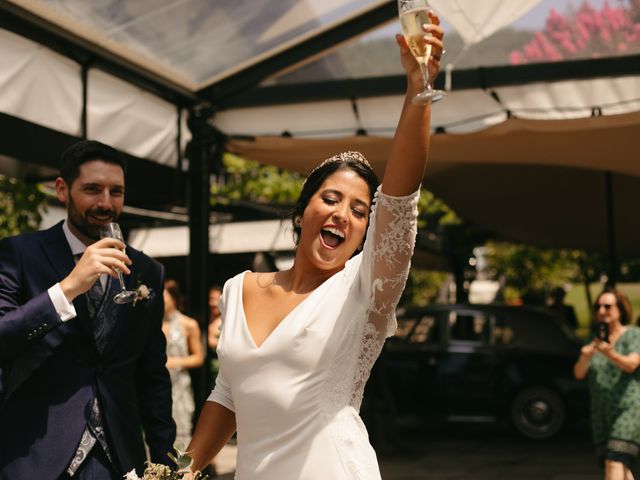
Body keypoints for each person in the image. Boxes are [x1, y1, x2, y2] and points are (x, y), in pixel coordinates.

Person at [187, 17, 444, 479]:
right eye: (330, 199)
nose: (343, 214)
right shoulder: (236, 289)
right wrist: (181, 471)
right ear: (302, 212)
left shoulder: (363, 287)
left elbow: (401, 198)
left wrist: (417, 91)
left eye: (360, 210)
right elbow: (229, 393)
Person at [0, 140, 175, 479]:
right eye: (93, 189)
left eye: (117, 192)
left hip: (119, 459)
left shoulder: (147, 271)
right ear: (63, 190)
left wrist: (165, 462)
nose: (106, 203)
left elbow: (153, 375)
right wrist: (68, 288)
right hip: (35, 457)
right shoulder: (18, 255)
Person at [574, 289, 640, 480]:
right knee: (617, 465)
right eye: (598, 307)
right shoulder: (593, 339)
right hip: (601, 412)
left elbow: (632, 365)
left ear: (620, 309)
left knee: (614, 460)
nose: (602, 311)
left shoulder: (634, 335)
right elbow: (578, 374)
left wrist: (609, 353)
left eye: (607, 306)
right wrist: (585, 357)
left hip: (628, 410)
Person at [163, 279, 205, 447]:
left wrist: (173, 362)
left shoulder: (188, 324)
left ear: (174, 298)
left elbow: (198, 357)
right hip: (158, 383)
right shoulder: (152, 324)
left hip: (179, 385)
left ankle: (181, 472)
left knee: (180, 431)